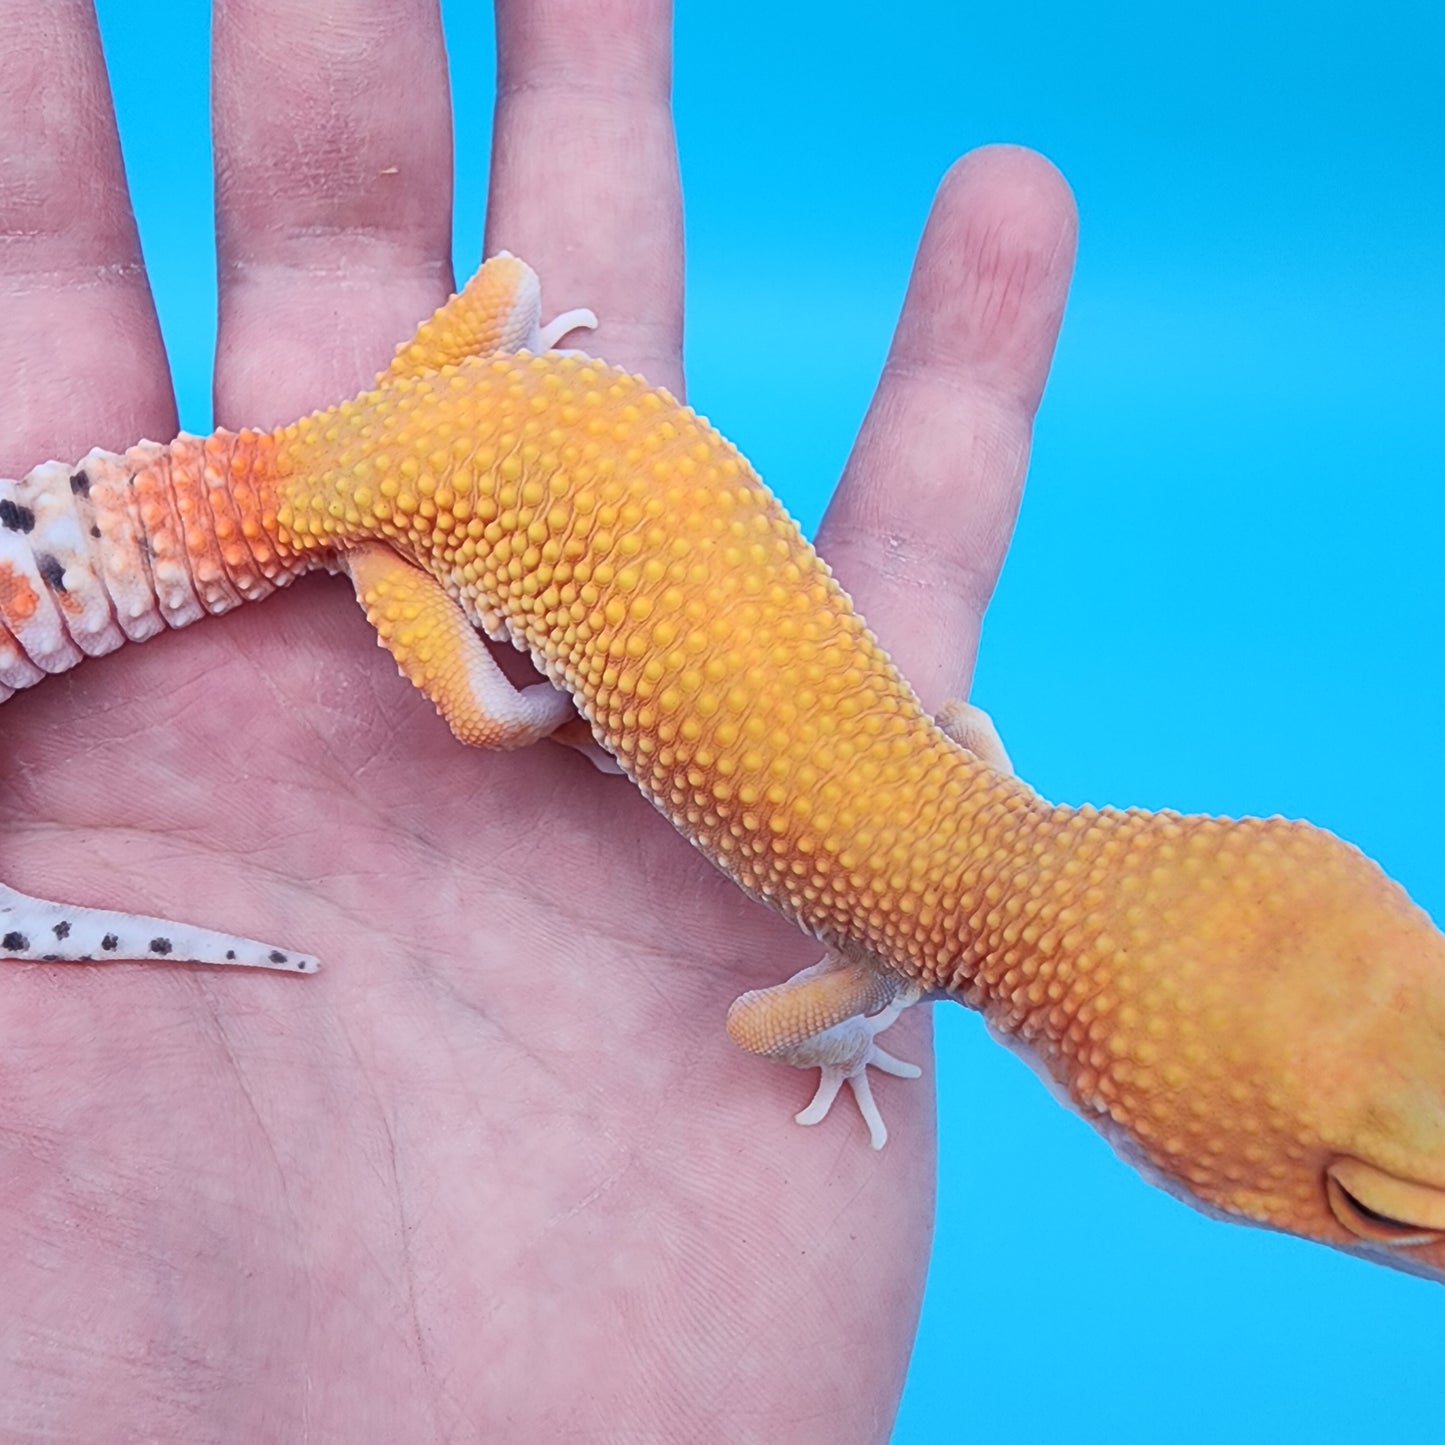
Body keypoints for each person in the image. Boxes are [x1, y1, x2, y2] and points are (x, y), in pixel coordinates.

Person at [0, 1, 1075, 1437]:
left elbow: (506, 286)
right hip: (369, 492)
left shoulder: (451, 396)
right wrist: (545, 706)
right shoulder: (391, 538)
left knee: (503, 708)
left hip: (401, 435)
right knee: (499, 716)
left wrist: (541, 648)